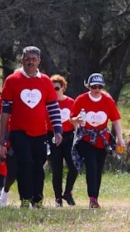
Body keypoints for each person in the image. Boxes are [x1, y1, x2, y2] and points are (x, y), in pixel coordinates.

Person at [0, 46, 63, 208]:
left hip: (40, 132)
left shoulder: (46, 81)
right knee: (24, 163)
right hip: (18, 131)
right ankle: (25, 199)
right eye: (27, 59)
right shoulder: (12, 80)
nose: (30, 63)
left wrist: (58, 130)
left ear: (39, 61)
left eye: (34, 59)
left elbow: (53, 107)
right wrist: (1, 139)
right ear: (22, 60)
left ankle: (37, 199)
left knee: (38, 165)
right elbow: (5, 111)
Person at [70, 73, 125, 209]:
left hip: (102, 140)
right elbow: (71, 119)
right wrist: (77, 119)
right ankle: (92, 198)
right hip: (85, 138)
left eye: (99, 86)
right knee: (91, 166)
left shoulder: (108, 100)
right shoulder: (81, 99)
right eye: (94, 86)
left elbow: (116, 120)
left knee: (98, 169)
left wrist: (120, 139)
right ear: (89, 86)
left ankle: (95, 198)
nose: (96, 89)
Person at [48, 74, 78, 207]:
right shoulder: (47, 103)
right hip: (53, 137)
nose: (54, 91)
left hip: (69, 136)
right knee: (57, 169)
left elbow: (76, 121)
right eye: (51, 88)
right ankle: (58, 198)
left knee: (74, 166)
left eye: (56, 88)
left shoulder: (71, 102)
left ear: (63, 88)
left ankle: (67, 192)